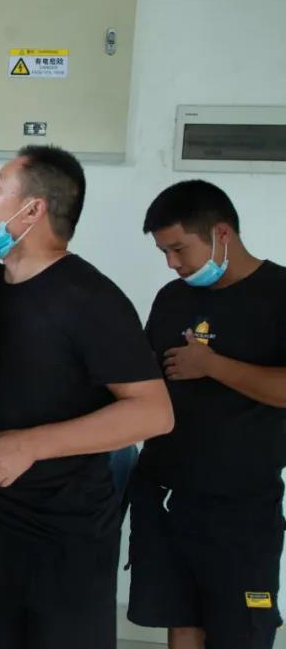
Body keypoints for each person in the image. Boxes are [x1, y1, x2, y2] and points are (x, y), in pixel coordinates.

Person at [0, 145, 174, 649]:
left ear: (33, 209)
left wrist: (32, 444)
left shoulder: (90, 299)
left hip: (64, 542)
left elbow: (154, 412)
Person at [128, 180, 286, 649]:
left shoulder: (279, 294)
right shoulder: (171, 298)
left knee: (241, 631)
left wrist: (213, 365)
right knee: (181, 620)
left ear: (221, 233)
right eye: (164, 252)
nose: (172, 263)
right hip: (167, 494)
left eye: (179, 249)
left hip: (241, 507)